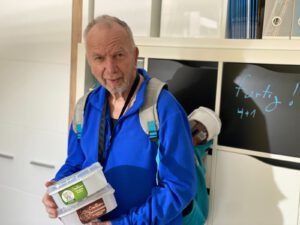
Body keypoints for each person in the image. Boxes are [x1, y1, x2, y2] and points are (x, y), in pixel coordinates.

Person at [42, 15, 198, 225]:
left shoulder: (163, 109)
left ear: (135, 55)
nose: (110, 68)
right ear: (89, 61)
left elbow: (179, 188)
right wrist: (58, 189)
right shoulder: (86, 107)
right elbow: (76, 162)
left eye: (118, 55)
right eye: (99, 58)